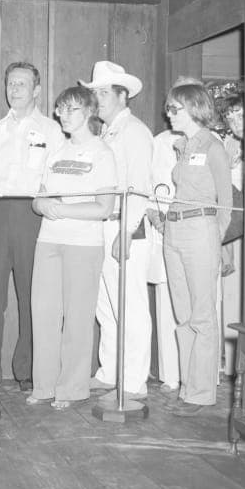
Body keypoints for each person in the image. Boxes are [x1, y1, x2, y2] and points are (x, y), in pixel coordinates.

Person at [0, 62, 62, 397]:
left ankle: (27, 371)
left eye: (22, 84)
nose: (15, 89)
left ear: (36, 90)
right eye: (11, 83)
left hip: (32, 213)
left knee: (31, 297)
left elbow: (57, 181)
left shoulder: (52, 131)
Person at [29, 86, 117, 409]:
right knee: (44, 314)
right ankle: (44, 386)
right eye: (60, 109)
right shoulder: (56, 151)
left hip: (83, 244)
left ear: (89, 112)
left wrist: (63, 209)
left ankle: (71, 388)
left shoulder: (102, 153)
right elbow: (38, 198)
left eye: (70, 110)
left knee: (78, 318)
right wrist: (43, 205)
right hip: (48, 240)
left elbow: (104, 208)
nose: (62, 115)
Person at [79, 60, 154, 399]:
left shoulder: (135, 131)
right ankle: (110, 371)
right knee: (106, 307)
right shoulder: (106, 132)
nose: (99, 98)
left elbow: (140, 187)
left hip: (125, 228)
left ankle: (134, 381)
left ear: (123, 96)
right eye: (95, 93)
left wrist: (127, 230)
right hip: (103, 224)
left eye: (105, 92)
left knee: (130, 306)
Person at [160, 81, 233, 415]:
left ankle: (202, 392)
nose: (169, 114)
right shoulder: (181, 145)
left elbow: (226, 202)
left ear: (193, 108)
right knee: (183, 315)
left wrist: (214, 241)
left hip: (200, 229)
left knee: (202, 316)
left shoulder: (212, 146)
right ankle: (188, 386)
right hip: (174, 229)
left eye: (175, 108)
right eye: (169, 108)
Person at [146, 77, 208, 394]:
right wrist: (159, 218)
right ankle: (174, 375)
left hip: (199, 235)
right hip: (165, 231)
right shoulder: (158, 142)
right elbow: (150, 188)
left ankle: (199, 379)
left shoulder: (212, 143)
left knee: (200, 309)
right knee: (170, 304)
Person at [220, 95, 244, 377]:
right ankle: (232, 364)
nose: (236, 123)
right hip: (232, 222)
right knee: (232, 295)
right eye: (230, 117)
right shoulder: (228, 145)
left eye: (240, 115)